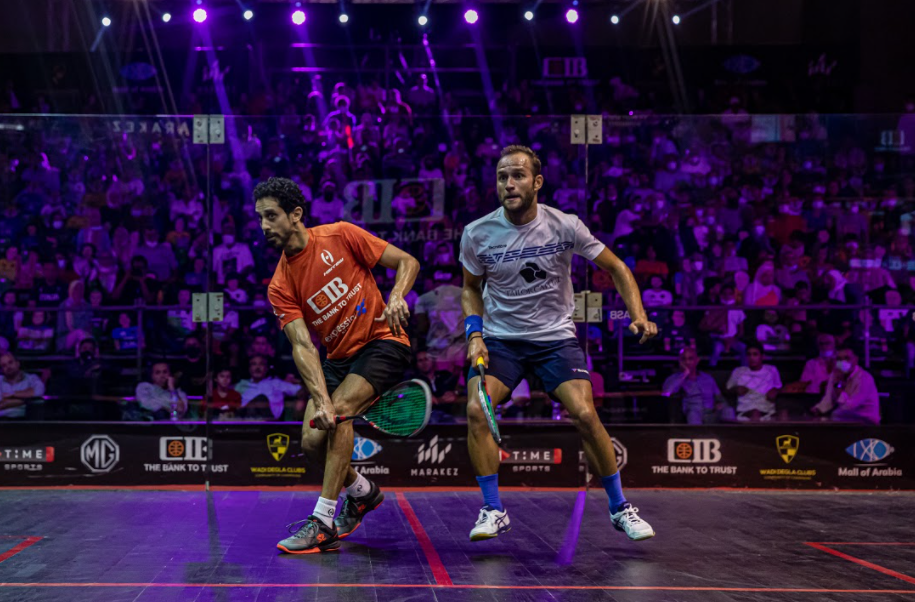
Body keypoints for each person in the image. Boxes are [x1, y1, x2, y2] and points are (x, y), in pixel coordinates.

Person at [460, 145, 658, 542]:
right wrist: (475, 334)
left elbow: (617, 267)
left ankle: (620, 507)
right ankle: (493, 509)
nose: (509, 184)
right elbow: (470, 288)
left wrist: (637, 314)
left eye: (517, 176)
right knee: (477, 410)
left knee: (584, 414)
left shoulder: (565, 225)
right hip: (501, 341)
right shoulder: (477, 233)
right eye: (502, 177)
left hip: (555, 340)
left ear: (537, 182)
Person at [254, 177, 419, 554]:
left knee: (340, 413)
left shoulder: (341, 235)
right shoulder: (280, 285)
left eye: (271, 216)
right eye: (260, 218)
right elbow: (302, 344)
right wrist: (320, 399)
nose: (264, 226)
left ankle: (323, 522)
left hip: (383, 342)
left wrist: (396, 295)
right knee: (312, 440)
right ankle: (362, 492)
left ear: (295, 214)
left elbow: (407, 261)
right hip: (337, 360)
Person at [662, 347, 733, 424]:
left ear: (697, 360)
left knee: (728, 410)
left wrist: (720, 405)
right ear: (680, 361)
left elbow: (720, 398)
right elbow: (667, 393)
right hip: (693, 413)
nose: (687, 362)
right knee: (693, 414)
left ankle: (731, 432)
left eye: (690, 359)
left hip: (711, 413)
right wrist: (685, 374)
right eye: (683, 359)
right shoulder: (675, 378)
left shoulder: (707, 378)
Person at [811, 347, 880, 424]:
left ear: (855, 360)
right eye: (839, 359)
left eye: (847, 358)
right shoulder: (835, 374)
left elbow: (849, 407)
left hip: (865, 420)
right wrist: (818, 409)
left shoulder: (864, 378)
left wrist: (838, 385)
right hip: (844, 417)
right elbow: (829, 398)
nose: (843, 362)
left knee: (834, 417)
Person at [726, 342, 782, 421]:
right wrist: (736, 389)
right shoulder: (738, 371)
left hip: (767, 411)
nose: (751, 358)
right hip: (745, 412)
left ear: (762, 356)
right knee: (754, 414)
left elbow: (779, 387)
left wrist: (775, 390)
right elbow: (726, 390)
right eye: (749, 355)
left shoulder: (771, 370)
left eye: (755, 354)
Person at [235, 354, 301, 420]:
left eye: (261, 364)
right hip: (244, 420)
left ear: (267, 368)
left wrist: (298, 382)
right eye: (254, 364)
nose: (257, 367)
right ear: (249, 368)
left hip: (269, 422)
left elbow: (300, 391)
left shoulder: (277, 383)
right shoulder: (241, 385)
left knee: (261, 399)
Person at [0, 351, 45, 419]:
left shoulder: (31, 378)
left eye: (10, 362)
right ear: (2, 370)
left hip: (24, 420)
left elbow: (39, 392)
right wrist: (26, 398)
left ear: (17, 363)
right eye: (4, 365)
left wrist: (12, 394)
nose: (8, 367)